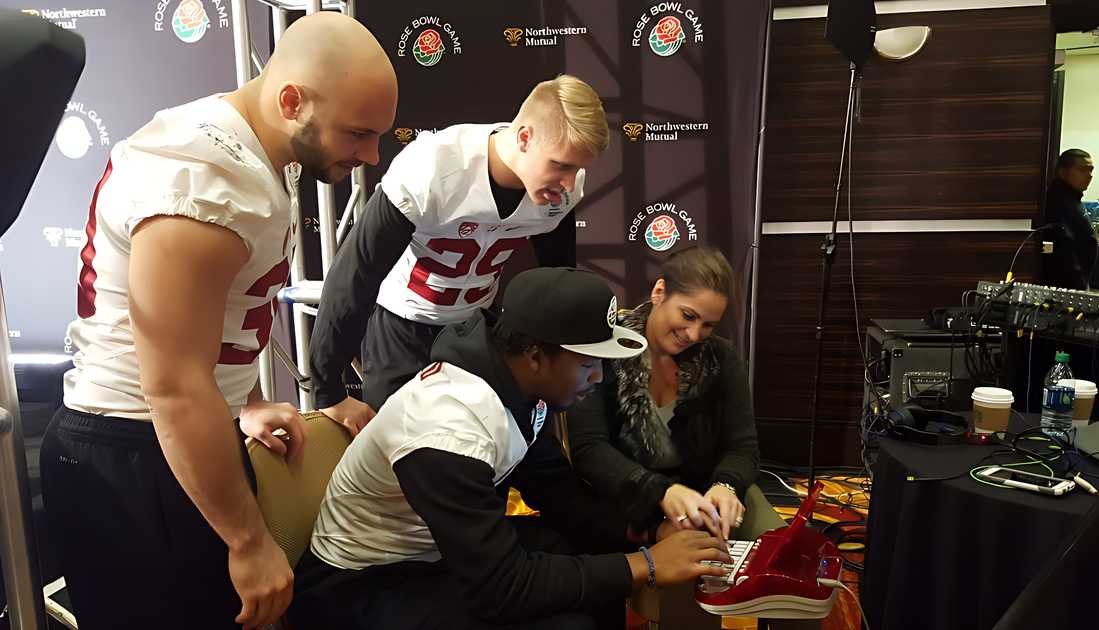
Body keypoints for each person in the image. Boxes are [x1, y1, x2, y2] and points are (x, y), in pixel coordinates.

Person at [40, 13, 397, 629]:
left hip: (165, 444)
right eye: (358, 134)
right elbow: (174, 385)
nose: (370, 156)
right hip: (135, 454)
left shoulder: (236, 147)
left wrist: (244, 403)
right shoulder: (207, 179)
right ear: (292, 101)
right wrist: (248, 540)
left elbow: (212, 326)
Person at [291, 267, 731, 630]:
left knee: (583, 555)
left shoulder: (517, 388)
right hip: (360, 586)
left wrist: (645, 534)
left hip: (432, 553)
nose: (598, 378)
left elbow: (558, 493)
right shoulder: (450, 427)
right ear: (535, 356)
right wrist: (648, 565)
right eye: (587, 364)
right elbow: (500, 588)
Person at [309, 74, 607, 436]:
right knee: (397, 450)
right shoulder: (434, 168)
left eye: (577, 169)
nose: (569, 182)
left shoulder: (560, 190)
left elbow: (558, 282)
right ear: (525, 137)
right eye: (560, 165)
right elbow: (356, 275)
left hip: (474, 328)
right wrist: (328, 389)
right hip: (404, 324)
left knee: (494, 447)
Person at [567, 246, 816, 628]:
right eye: (688, 316)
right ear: (659, 292)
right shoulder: (608, 350)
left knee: (793, 574)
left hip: (710, 493)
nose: (695, 334)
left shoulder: (721, 358)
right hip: (630, 498)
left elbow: (742, 447)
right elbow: (590, 450)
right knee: (690, 574)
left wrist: (726, 486)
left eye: (709, 325)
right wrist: (661, 493)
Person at [1043, 148, 1097, 290]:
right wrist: (1080, 286)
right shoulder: (1057, 201)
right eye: (1082, 170)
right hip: (1066, 286)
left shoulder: (1073, 199)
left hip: (1079, 282)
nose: (1089, 175)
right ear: (1063, 172)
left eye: (1091, 170)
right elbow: (1064, 249)